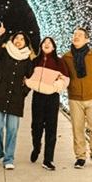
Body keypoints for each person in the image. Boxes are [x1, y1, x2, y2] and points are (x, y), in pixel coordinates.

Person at [0, 23, 35, 170]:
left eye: (22, 39)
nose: (18, 41)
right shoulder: (5, 52)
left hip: (16, 98)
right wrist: (0, 35)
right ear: (12, 40)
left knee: (12, 129)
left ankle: (9, 158)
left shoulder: (27, 59)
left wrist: (24, 92)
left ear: (25, 43)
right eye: (16, 38)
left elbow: (31, 79)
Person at [62, 27, 92, 169]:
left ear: (87, 39)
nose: (76, 37)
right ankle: (80, 157)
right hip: (75, 98)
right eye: (75, 34)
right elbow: (63, 76)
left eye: (80, 35)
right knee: (77, 128)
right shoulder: (66, 57)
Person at [25, 36, 70, 171]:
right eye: (44, 42)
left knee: (51, 128)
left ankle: (48, 159)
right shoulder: (35, 61)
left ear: (54, 47)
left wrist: (55, 86)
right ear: (41, 46)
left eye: (49, 42)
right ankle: (36, 147)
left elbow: (65, 79)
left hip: (52, 98)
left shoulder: (59, 62)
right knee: (36, 126)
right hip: (38, 97)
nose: (46, 44)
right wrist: (28, 83)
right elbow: (27, 76)